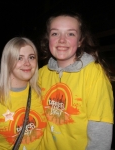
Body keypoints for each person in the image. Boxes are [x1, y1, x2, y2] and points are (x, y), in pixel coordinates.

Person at [38, 11, 114, 150]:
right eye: (55, 33)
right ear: (48, 38)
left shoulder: (94, 73)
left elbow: (100, 131)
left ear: (80, 41)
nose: (62, 40)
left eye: (70, 34)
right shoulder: (41, 74)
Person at [0, 37, 56, 150]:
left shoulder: (42, 90)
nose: (27, 63)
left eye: (31, 57)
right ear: (7, 61)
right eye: (19, 58)